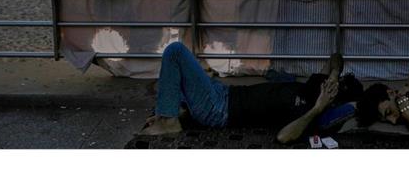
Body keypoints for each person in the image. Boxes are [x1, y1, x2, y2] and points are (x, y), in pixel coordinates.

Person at [141, 42, 360, 143]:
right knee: (168, 83)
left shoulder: (311, 113)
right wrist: (333, 75)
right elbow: (335, 56)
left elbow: (284, 137)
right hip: (224, 93)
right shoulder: (318, 86)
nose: (332, 88)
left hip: (219, 109)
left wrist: (319, 107)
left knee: (175, 52)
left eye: (337, 90)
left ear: (334, 101)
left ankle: (169, 121)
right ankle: (174, 113)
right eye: (337, 84)